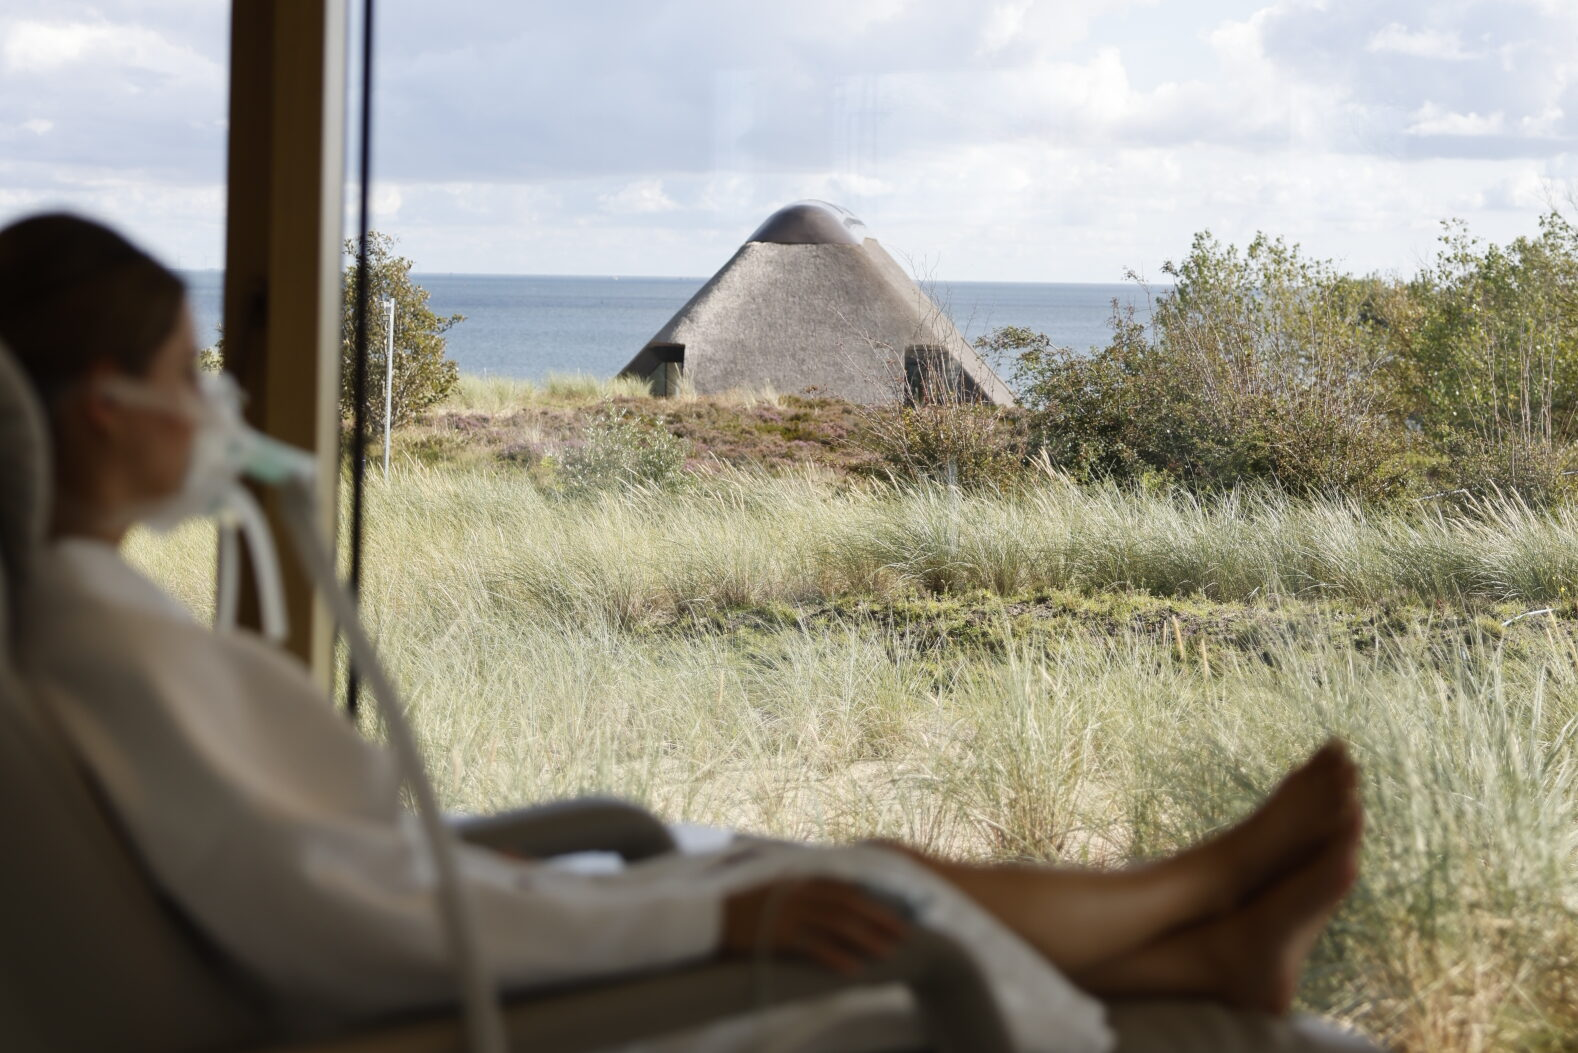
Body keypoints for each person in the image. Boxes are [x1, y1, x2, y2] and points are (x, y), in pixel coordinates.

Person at [0, 213, 1369, 1053]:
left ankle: (1199, 945)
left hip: (469, 941)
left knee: (842, 867)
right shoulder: (108, 653)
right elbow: (359, 931)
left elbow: (349, 886)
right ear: (109, 410)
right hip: (466, 992)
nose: (220, 406)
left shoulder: (82, 629)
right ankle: (1200, 891)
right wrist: (721, 915)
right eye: (194, 374)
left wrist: (701, 896)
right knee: (871, 882)